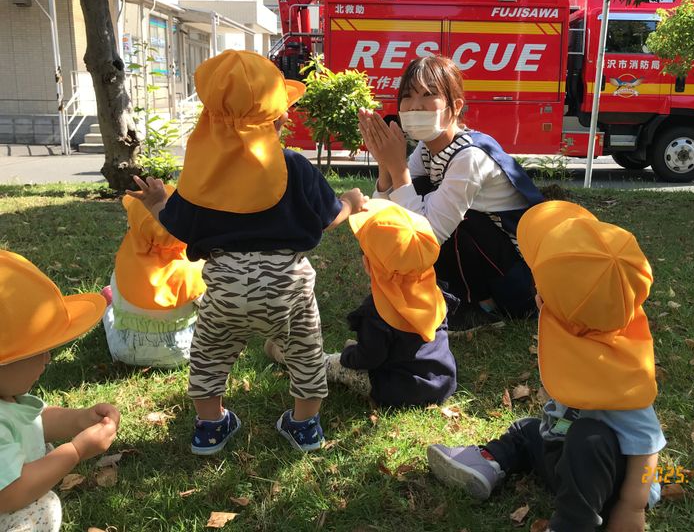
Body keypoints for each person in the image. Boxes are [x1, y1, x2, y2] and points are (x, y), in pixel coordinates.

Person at [127, 50, 367, 455]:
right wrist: (349, 202)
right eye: (281, 112)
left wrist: (155, 203)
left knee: (208, 354)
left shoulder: (202, 176)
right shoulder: (296, 167)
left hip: (227, 289)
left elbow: (179, 225)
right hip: (286, 285)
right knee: (307, 354)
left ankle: (210, 426)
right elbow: (328, 218)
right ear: (276, 119)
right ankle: (305, 426)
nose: (288, 117)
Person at [426, 201, 666, 532]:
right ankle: (486, 463)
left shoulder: (622, 375)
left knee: (590, 437)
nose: (535, 288)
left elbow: (647, 446)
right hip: (565, 456)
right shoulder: (591, 323)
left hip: (606, 484)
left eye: (541, 284)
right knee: (527, 429)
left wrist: (632, 506)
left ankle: (572, 524)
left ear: (551, 304)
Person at [357, 55, 544, 331]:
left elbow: (427, 235)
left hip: (521, 287)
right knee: (414, 189)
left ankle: (474, 306)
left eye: (429, 94)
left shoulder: (469, 157)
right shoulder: (427, 149)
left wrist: (398, 170)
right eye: (407, 96)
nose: (415, 105)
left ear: (455, 107)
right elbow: (387, 216)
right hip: (494, 266)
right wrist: (386, 168)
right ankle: (436, 295)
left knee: (461, 220)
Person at [0, 250, 120, 531]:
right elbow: (11, 491)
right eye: (38, 351)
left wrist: (80, 419)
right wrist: (76, 451)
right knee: (42, 508)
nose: (48, 358)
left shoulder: (8, 396)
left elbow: (36, 421)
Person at [322, 198, 458, 407]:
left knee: (338, 363)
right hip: (443, 381)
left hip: (400, 388)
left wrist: (349, 357)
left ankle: (314, 362)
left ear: (368, 264)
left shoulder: (378, 311)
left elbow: (370, 359)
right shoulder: (433, 292)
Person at [102, 187, 206, 368]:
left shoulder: (125, 264)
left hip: (124, 351)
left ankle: (106, 297)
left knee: (109, 309)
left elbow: (121, 301)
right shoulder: (194, 268)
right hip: (185, 351)